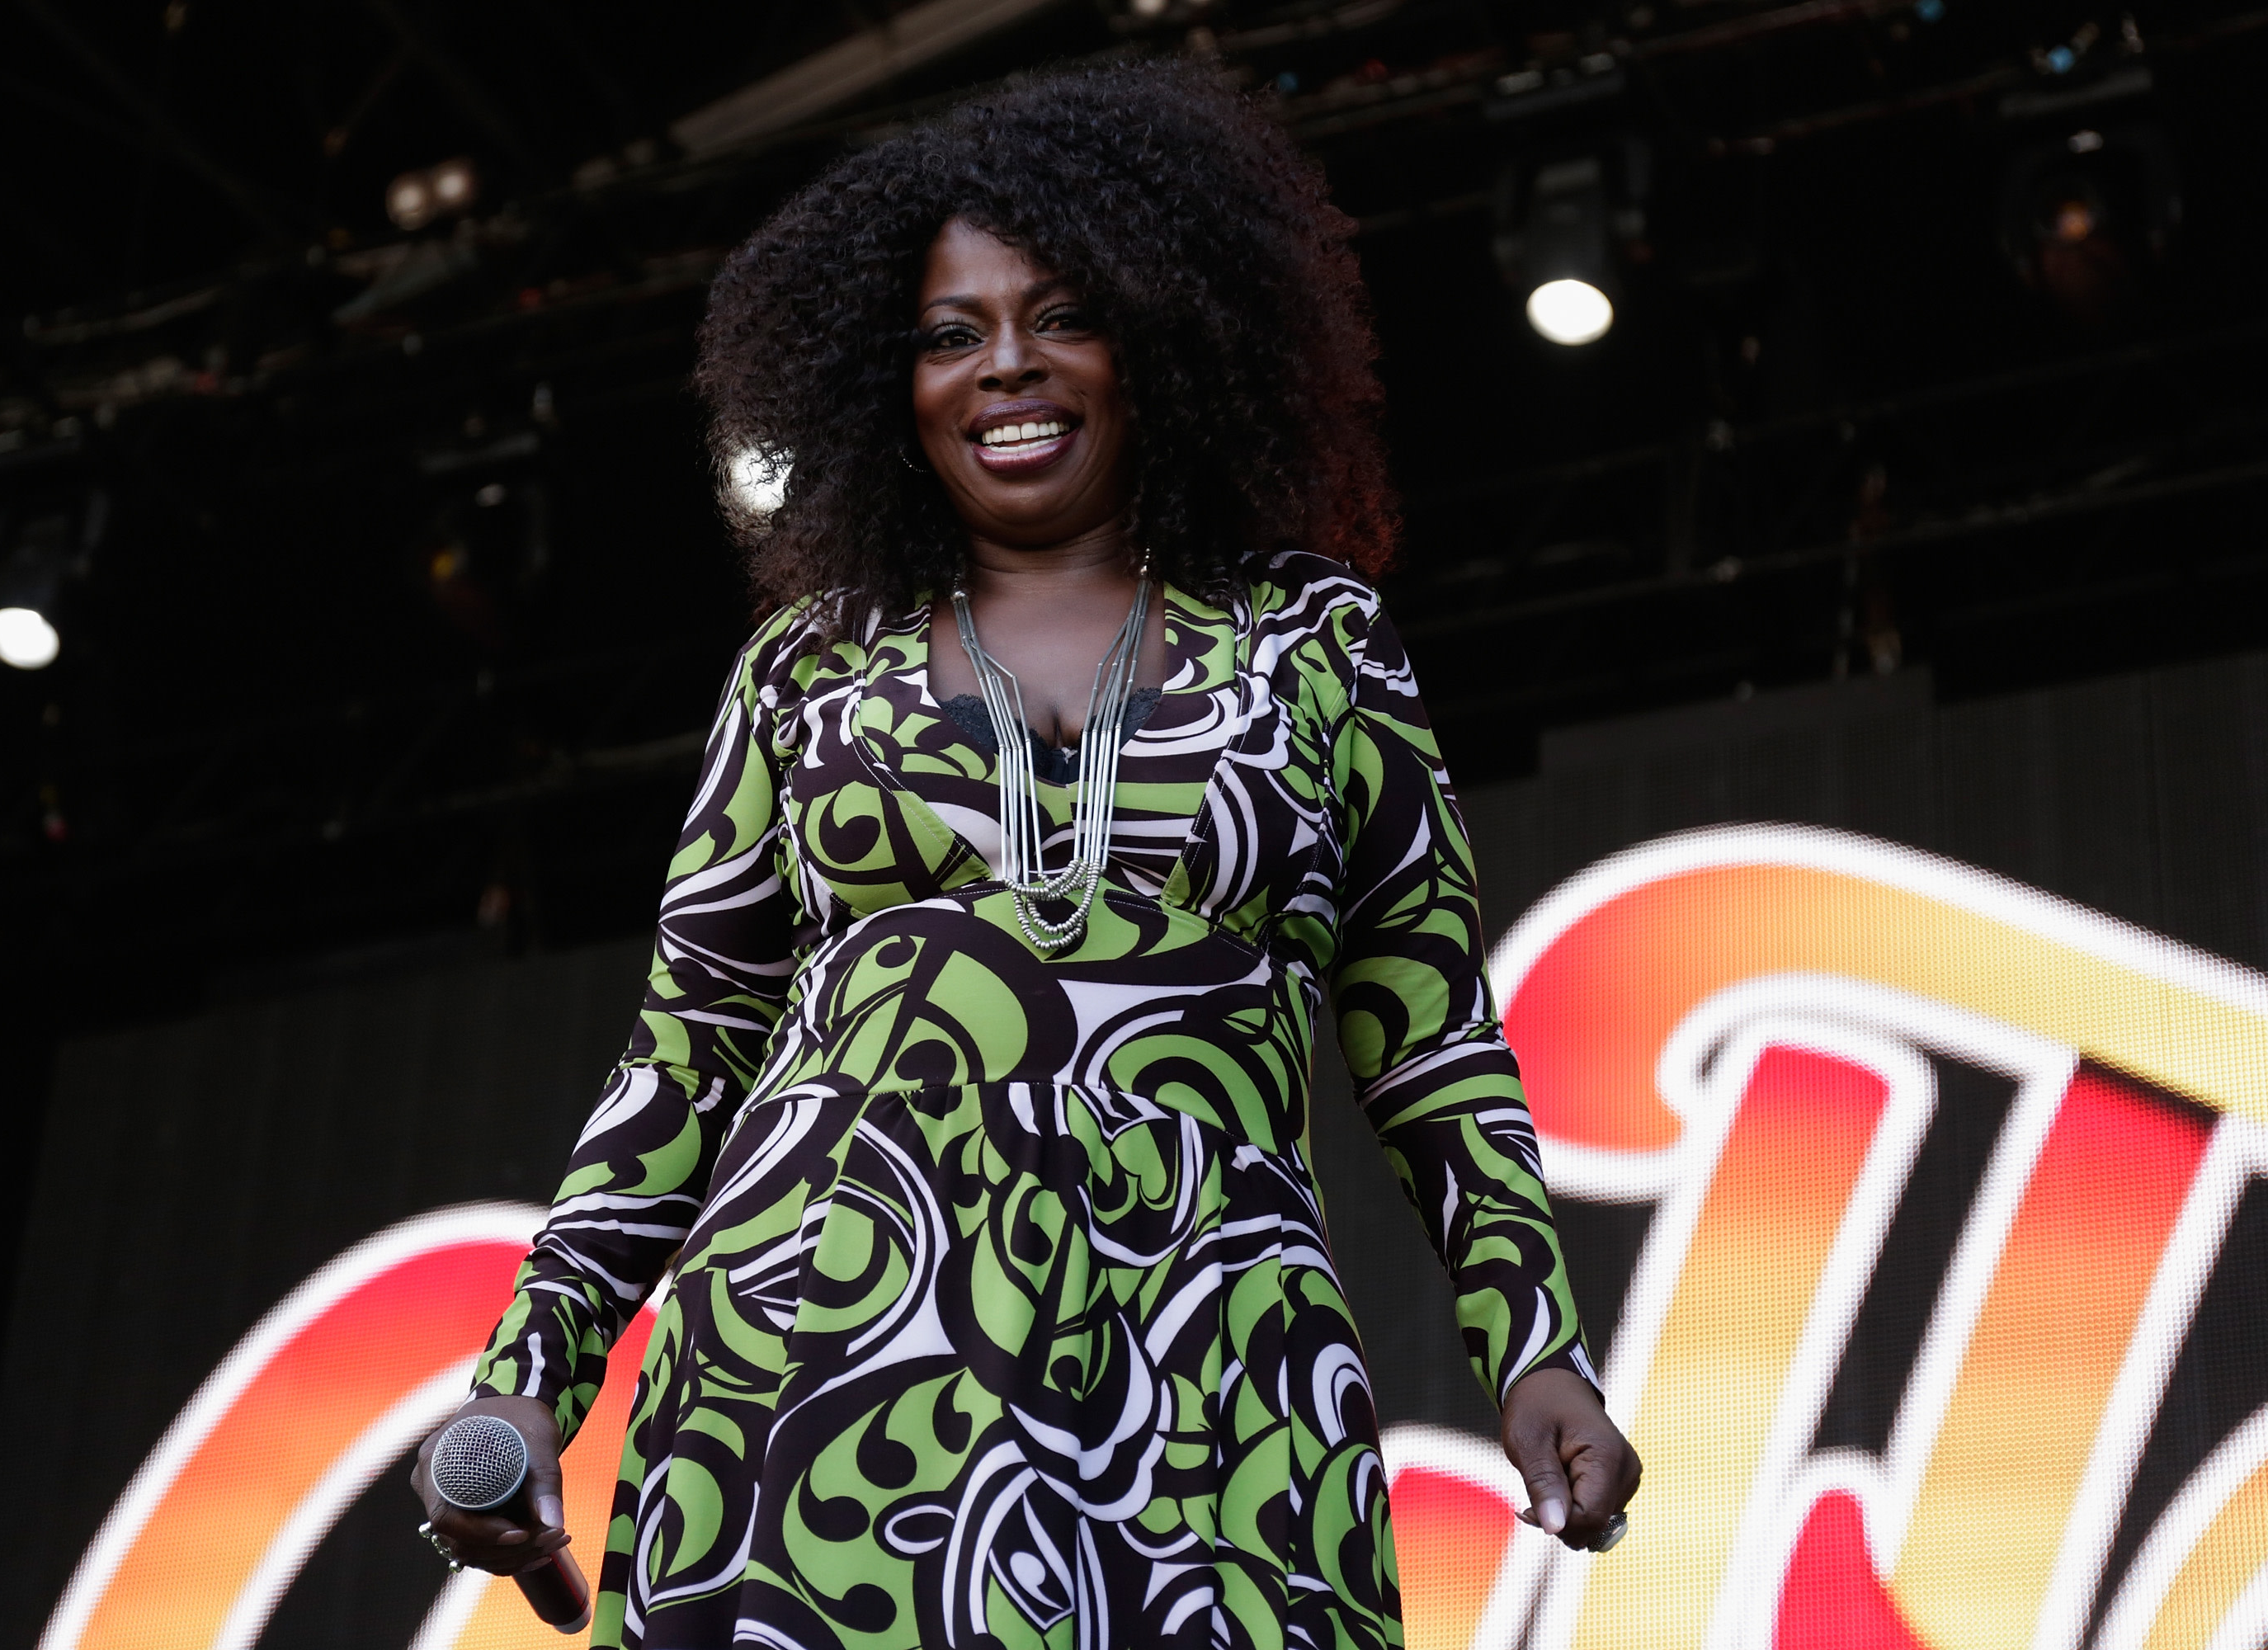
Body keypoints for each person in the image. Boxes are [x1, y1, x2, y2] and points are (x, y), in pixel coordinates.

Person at [415, 56, 1639, 1650]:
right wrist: (529, 1377)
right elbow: (688, 1055)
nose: (1005, 367)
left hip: (1219, 1396)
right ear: (885, 382)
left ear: (1164, 337)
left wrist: (1534, 1344)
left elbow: (1429, 1040)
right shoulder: (808, 669)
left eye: (1062, 315)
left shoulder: (1316, 645)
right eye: (947, 333)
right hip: (808, 1403)